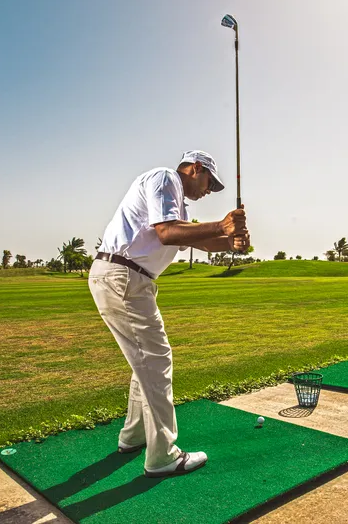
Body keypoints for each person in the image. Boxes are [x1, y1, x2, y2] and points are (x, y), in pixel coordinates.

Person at [89, 150, 249, 478]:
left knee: (145, 361)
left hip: (125, 277)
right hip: (125, 276)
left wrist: (231, 241)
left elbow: (201, 242)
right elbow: (167, 232)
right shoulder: (165, 177)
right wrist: (222, 224)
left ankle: (133, 436)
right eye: (210, 183)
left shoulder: (177, 204)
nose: (209, 191)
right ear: (196, 168)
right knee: (156, 360)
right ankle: (163, 455)